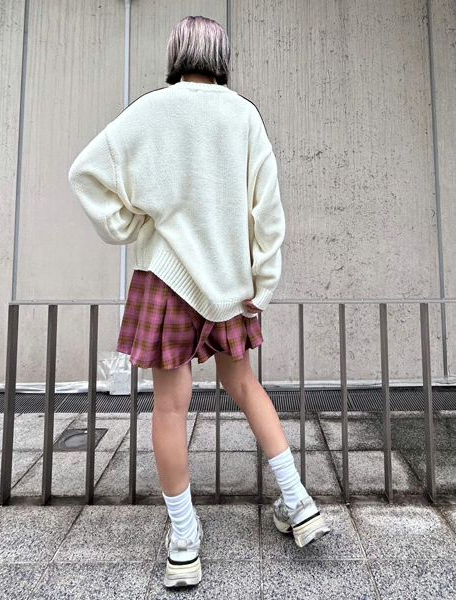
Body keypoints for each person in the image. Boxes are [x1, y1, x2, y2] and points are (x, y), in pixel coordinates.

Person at [68, 14, 331, 589]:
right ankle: (298, 501)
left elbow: (86, 172)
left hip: (165, 279)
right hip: (229, 280)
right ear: (221, 56)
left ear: (176, 53)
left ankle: (185, 541)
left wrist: (128, 223)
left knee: (170, 408)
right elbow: (268, 210)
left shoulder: (150, 110)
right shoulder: (243, 115)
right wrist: (262, 282)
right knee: (245, 385)